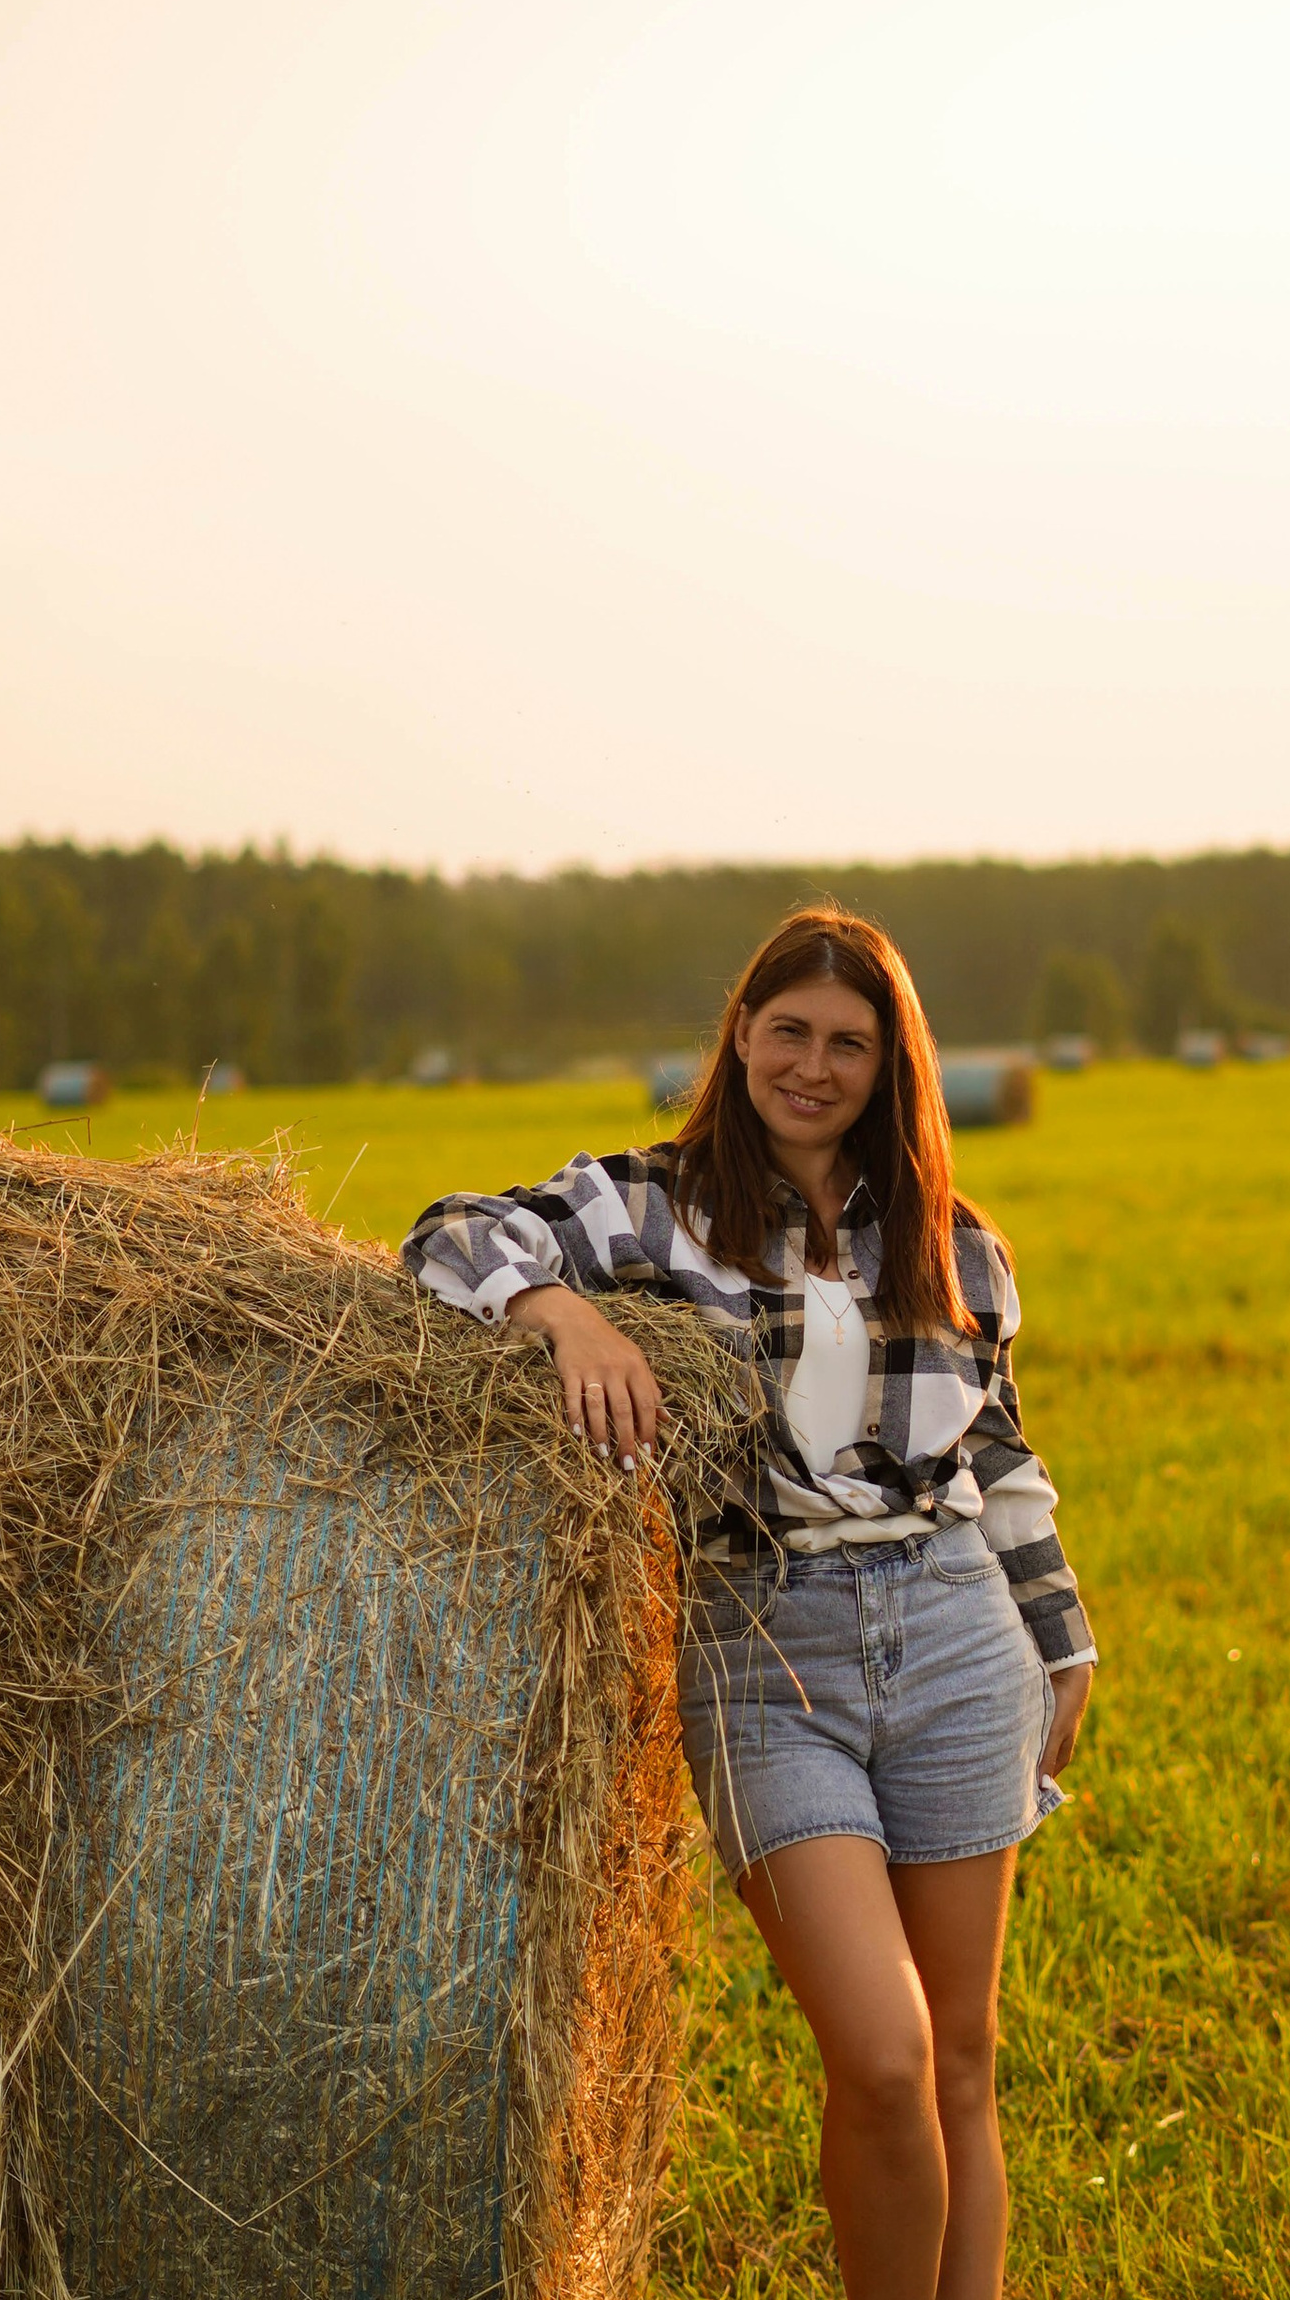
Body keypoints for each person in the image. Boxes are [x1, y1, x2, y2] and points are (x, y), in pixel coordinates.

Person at [403, 906, 1095, 2300]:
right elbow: (450, 1236)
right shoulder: (653, 1202)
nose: (815, 1066)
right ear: (742, 1033)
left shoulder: (958, 1244)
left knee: (961, 2057)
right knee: (883, 2055)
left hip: (959, 1631)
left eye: (850, 1042)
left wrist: (1061, 1636)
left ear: (892, 1064)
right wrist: (568, 1317)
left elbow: (1001, 1454)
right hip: (764, 1650)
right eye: (789, 1031)